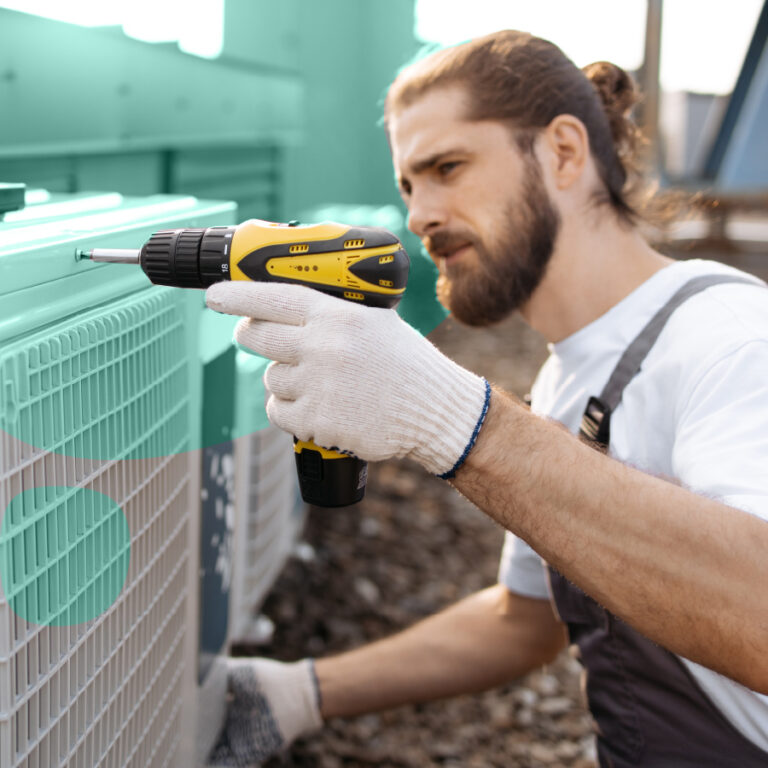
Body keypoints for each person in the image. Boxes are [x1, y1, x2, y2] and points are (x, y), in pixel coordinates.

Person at [206, 30, 768, 768]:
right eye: (409, 186)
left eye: (447, 168)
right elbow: (522, 622)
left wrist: (457, 421)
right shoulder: (568, 374)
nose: (419, 215)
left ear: (563, 152)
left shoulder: (730, 340)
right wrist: (298, 693)